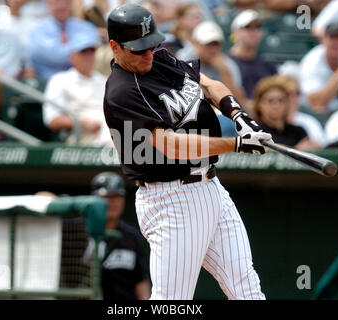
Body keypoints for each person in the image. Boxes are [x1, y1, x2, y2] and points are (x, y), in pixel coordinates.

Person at [104, 3, 272, 300]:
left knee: (247, 289)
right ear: (115, 46)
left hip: (210, 187)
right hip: (171, 199)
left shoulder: (159, 58)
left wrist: (238, 116)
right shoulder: (122, 92)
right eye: (139, 49)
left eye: (151, 46)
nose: (148, 54)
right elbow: (171, 144)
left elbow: (205, 84)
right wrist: (236, 143)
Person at [42, 29, 111, 146]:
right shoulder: (60, 80)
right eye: (83, 51)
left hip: (113, 132)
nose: (88, 56)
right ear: (72, 56)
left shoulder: (106, 80)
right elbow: (52, 119)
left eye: (91, 51)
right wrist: (81, 122)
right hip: (83, 137)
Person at [89, 171, 151, 300]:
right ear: (94, 200)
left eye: (117, 196)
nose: (113, 202)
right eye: (107, 197)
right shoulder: (79, 230)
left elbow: (141, 279)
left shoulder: (131, 235)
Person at [28, 0, 99, 83]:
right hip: (45, 84)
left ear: (71, 4)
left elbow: (91, 54)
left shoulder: (86, 27)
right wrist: (80, 50)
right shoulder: (37, 30)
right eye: (56, 2)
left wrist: (82, 52)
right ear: (48, 4)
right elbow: (55, 56)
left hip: (83, 84)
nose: (61, 6)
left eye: (66, 2)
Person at [228, 9, 277, 112]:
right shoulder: (226, 64)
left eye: (257, 27)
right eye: (248, 27)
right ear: (235, 32)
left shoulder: (268, 64)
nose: (254, 31)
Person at [252, 75, 319, 150]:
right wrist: (296, 149)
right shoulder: (254, 132)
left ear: (287, 103)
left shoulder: (299, 132)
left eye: (281, 100)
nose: (276, 105)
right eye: (270, 101)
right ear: (260, 104)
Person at [276, 74, 326, 147]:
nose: (294, 98)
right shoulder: (268, 124)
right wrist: (296, 149)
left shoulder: (309, 122)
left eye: (297, 93)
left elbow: (322, 148)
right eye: (289, 94)